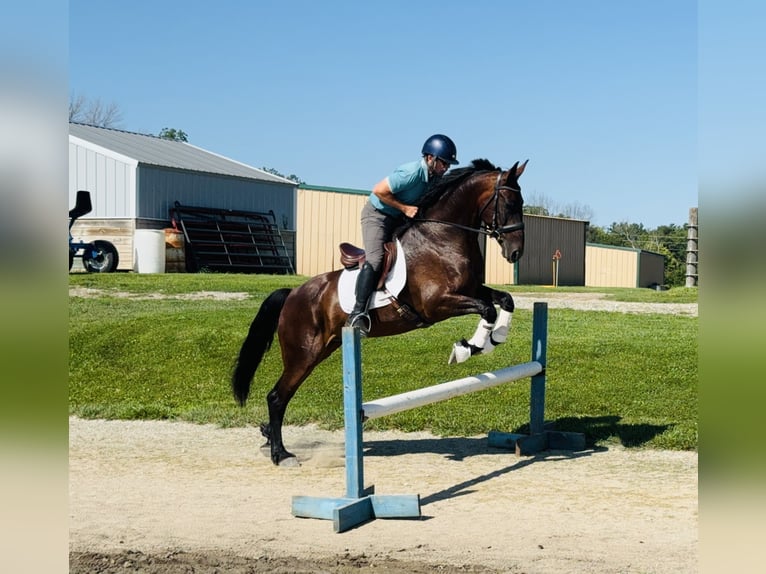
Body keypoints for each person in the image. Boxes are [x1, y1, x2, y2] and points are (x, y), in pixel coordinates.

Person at [346, 134, 459, 334]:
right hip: (377, 215)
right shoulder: (411, 172)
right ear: (430, 158)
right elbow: (379, 190)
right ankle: (358, 313)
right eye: (444, 163)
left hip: (398, 217)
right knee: (376, 257)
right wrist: (405, 208)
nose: (446, 168)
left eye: (448, 165)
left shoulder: (433, 178)